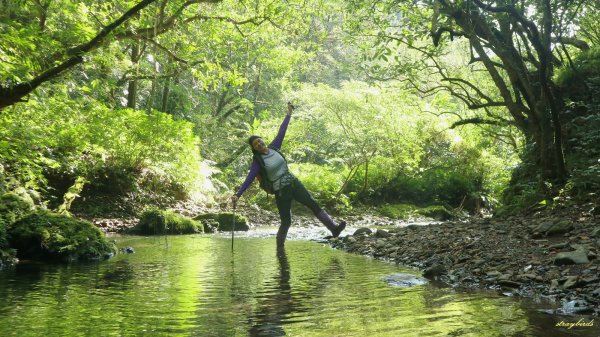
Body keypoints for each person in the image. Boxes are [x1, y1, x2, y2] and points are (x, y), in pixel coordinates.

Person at [231, 102, 346, 247]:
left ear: (263, 141)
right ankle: (280, 247)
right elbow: (249, 179)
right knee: (287, 221)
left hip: (293, 183)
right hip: (281, 191)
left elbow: (282, 131)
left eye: (259, 141)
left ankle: (334, 229)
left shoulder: (274, 147)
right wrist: (238, 194)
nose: (259, 144)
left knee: (313, 204)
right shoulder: (257, 161)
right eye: (256, 145)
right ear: (254, 149)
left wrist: (289, 113)